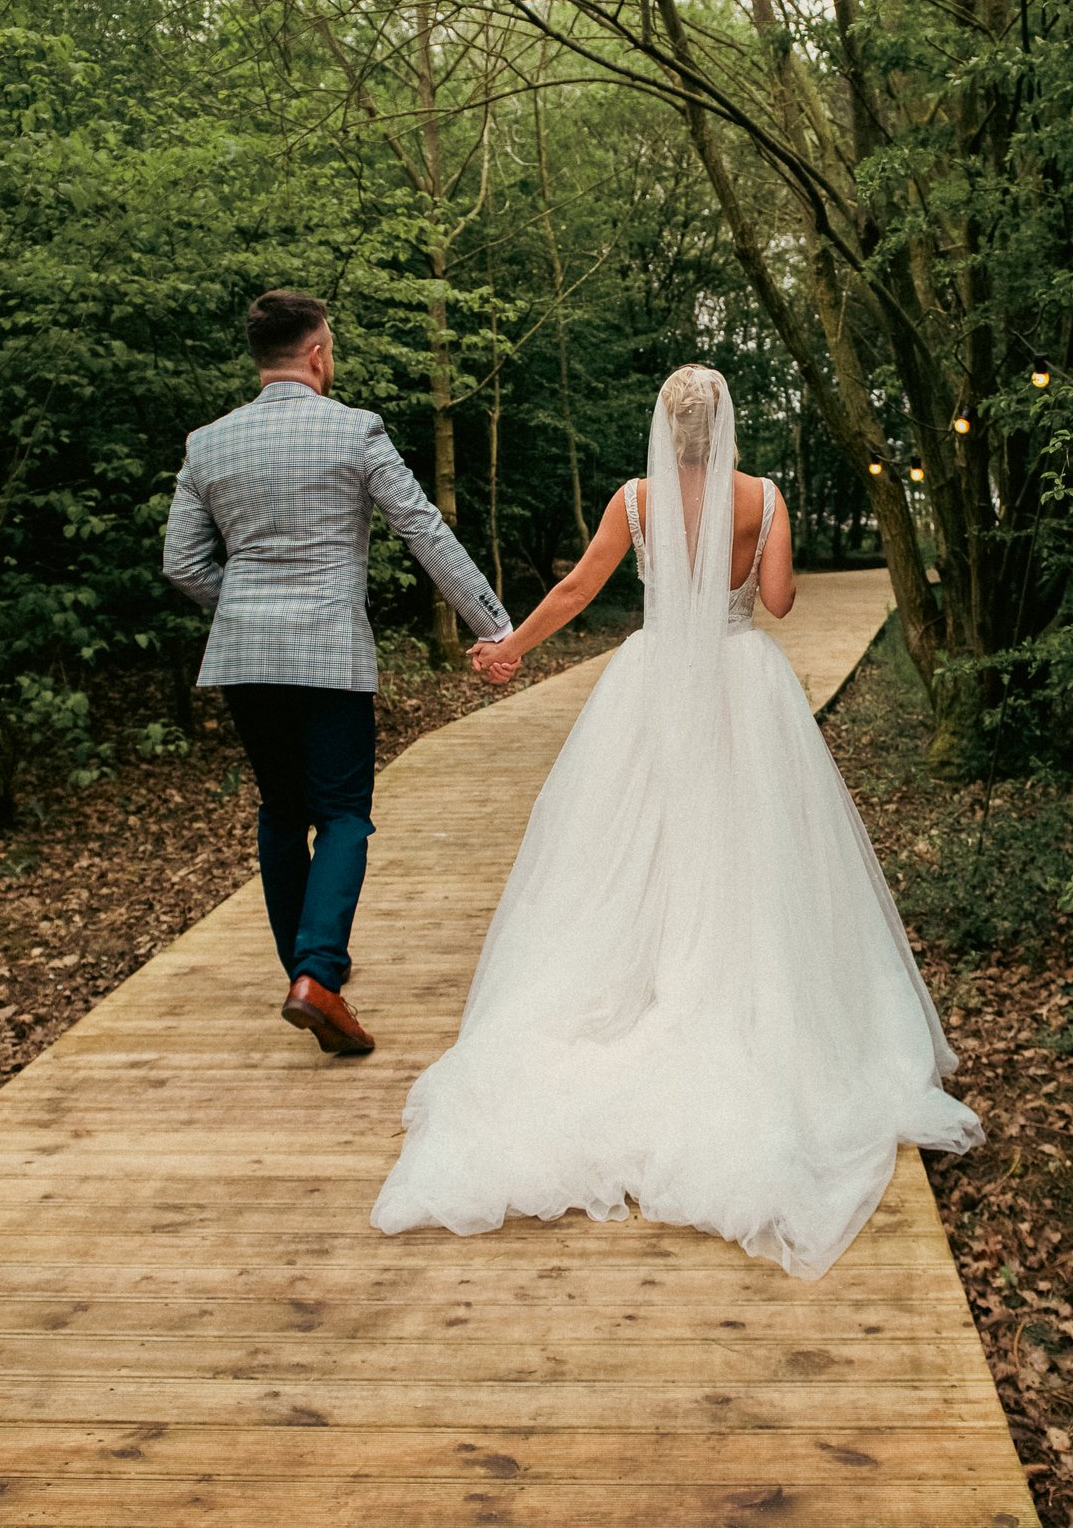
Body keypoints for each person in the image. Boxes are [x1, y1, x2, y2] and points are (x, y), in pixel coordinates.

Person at [370, 364, 984, 1278]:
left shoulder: (635, 498)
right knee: (749, 856)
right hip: (742, 684)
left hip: (653, 686)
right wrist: (763, 549)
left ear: (663, 427)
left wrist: (510, 650)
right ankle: (742, 997)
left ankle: (647, 986)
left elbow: (580, 589)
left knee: (632, 851)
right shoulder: (764, 499)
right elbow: (776, 605)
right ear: (726, 423)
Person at [162, 290, 515, 1057]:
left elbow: (182, 563)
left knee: (282, 810)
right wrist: (497, 626)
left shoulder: (207, 444)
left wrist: (248, 608)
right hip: (328, 654)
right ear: (318, 352)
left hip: (245, 661)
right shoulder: (356, 431)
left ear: (263, 356)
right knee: (345, 812)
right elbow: (422, 528)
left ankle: (308, 973)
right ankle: (319, 975)